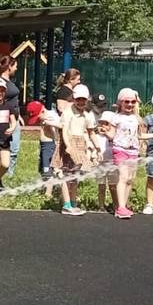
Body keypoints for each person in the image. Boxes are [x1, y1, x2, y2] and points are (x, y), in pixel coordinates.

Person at [106, 88, 145, 219]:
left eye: (133, 102)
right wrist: (105, 132)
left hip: (133, 151)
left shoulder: (136, 118)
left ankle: (123, 205)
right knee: (123, 177)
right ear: (120, 103)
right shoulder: (116, 118)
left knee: (129, 180)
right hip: (120, 149)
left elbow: (140, 136)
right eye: (126, 101)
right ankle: (121, 207)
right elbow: (111, 134)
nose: (130, 104)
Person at [57, 84, 95, 215]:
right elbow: (65, 131)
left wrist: (96, 147)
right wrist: (68, 146)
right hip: (70, 145)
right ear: (73, 98)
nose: (80, 102)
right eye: (78, 99)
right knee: (66, 175)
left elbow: (91, 133)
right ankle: (66, 204)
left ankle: (73, 203)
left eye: (83, 99)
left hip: (80, 145)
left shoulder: (88, 115)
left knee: (75, 176)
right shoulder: (68, 113)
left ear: (87, 100)